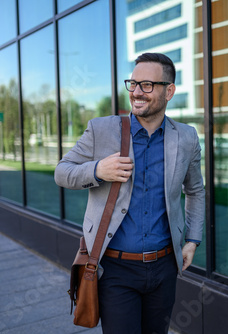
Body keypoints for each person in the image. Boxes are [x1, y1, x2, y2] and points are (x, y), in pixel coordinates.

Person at [54, 53, 205, 334]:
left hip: (164, 268)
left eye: (147, 85)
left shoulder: (186, 137)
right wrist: (98, 170)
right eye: (133, 83)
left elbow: (195, 190)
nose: (136, 92)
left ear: (169, 91)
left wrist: (192, 240)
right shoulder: (101, 129)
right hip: (115, 270)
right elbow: (62, 172)